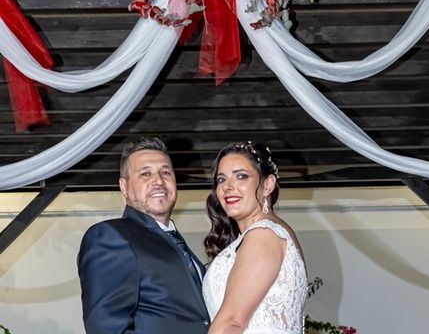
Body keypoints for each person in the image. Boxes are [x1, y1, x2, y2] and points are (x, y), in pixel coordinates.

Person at [77, 136, 210, 333]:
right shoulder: (110, 236)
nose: (158, 181)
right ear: (124, 187)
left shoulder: (178, 245)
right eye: (145, 174)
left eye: (165, 172)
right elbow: (107, 329)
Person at [202, 141, 307, 334]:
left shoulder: (263, 234)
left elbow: (231, 323)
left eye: (241, 176)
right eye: (221, 179)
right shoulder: (269, 232)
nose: (227, 187)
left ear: (268, 185)